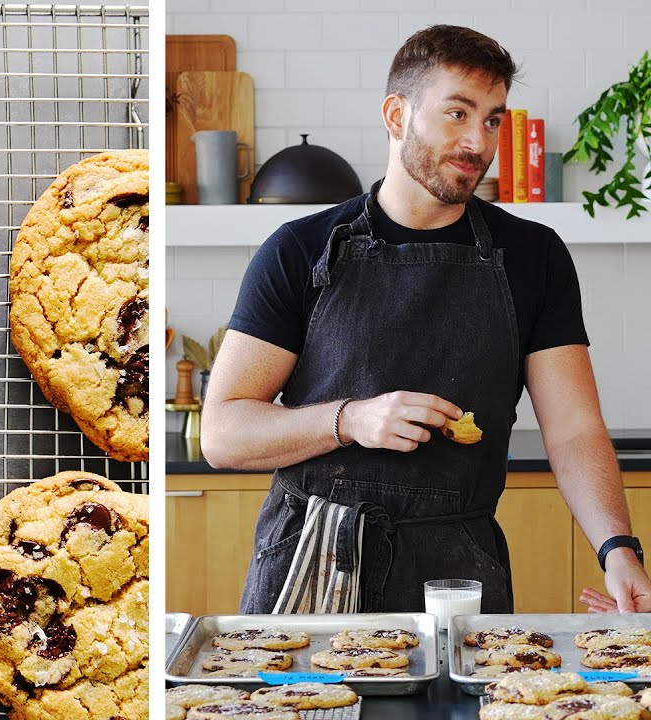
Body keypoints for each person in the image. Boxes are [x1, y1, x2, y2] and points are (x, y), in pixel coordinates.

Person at [200, 24, 651, 615]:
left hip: (459, 571)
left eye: (493, 119)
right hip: (313, 560)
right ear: (396, 115)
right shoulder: (300, 250)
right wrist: (351, 419)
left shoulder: (534, 256)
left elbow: (573, 431)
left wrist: (619, 549)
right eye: (457, 114)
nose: (478, 141)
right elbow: (222, 434)